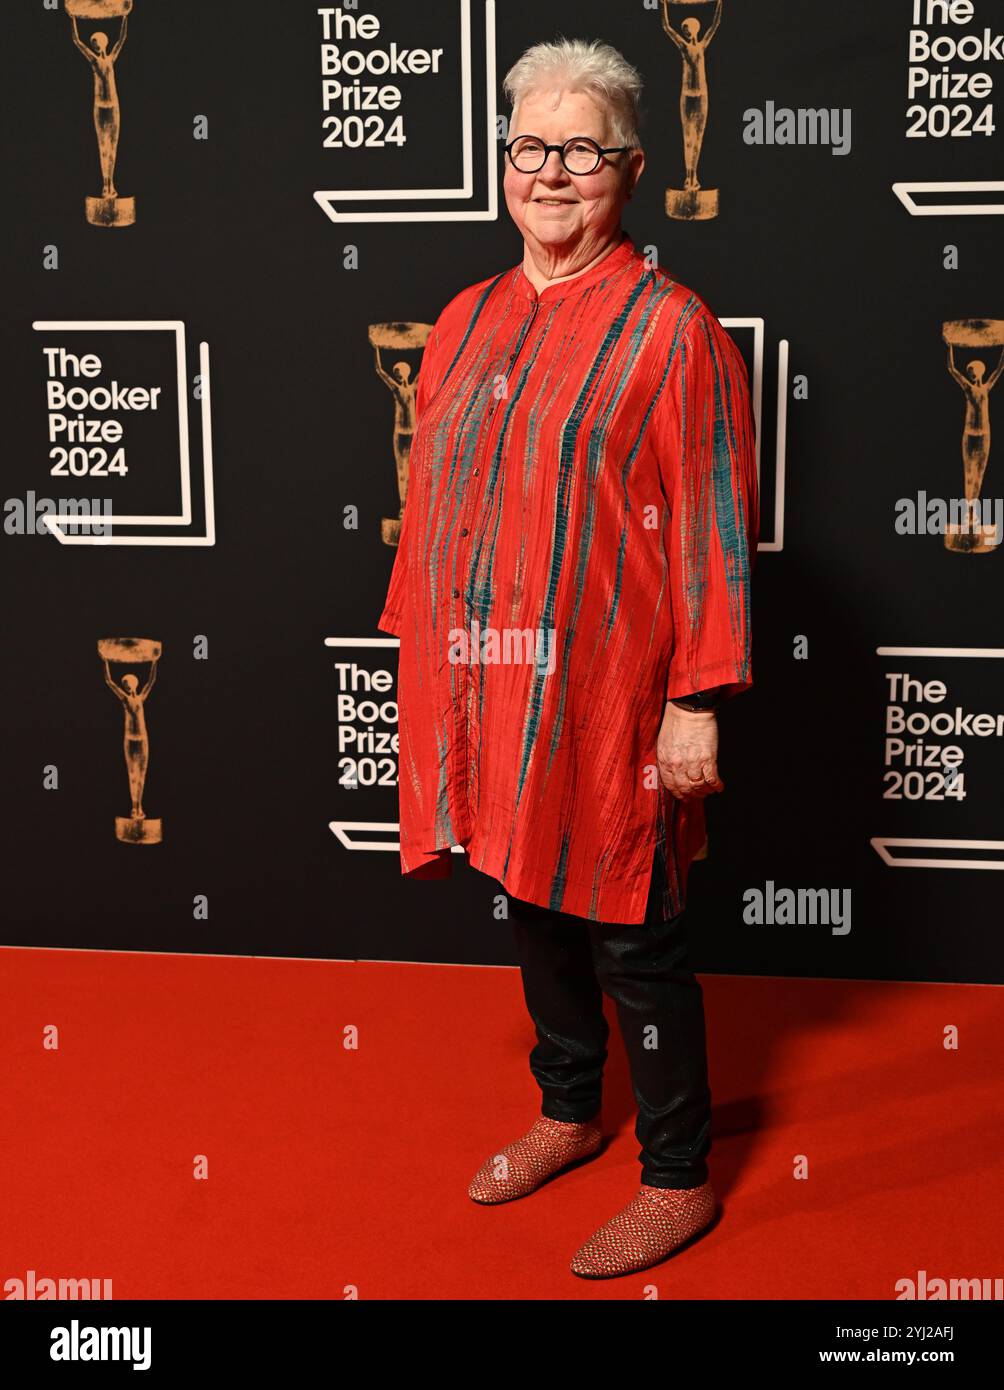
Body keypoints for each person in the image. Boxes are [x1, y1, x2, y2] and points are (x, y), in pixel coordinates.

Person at [377, 37, 758, 1279]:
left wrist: (692, 702)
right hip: (485, 684)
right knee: (529, 902)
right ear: (504, 164)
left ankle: (676, 1172)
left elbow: (707, 524)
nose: (551, 171)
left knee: (633, 936)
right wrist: (422, 655)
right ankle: (564, 1106)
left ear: (629, 172)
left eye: (580, 150)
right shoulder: (465, 317)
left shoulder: (672, 329)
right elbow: (429, 498)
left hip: (610, 694)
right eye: (529, 147)